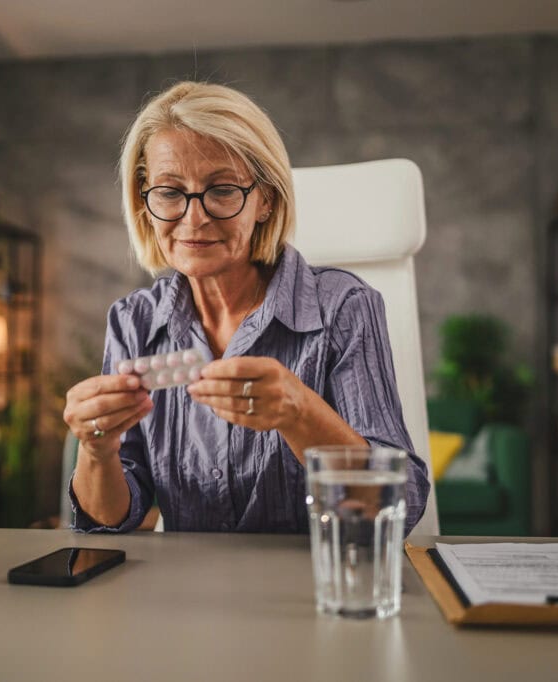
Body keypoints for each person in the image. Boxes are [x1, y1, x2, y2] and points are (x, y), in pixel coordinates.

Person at [63, 81, 429, 533]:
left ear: (265, 200)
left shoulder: (344, 308)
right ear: (145, 201)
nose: (193, 218)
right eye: (169, 192)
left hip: (314, 586)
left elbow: (404, 504)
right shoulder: (133, 321)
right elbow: (111, 522)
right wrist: (96, 450)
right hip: (187, 596)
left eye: (221, 190)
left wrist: (300, 412)